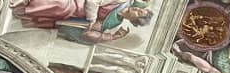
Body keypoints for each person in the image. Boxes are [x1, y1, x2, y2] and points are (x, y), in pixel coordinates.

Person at [10, 0, 154, 43]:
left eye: (139, 13)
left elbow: (93, 33)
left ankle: (24, 9)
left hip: (79, 15)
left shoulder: (115, 22)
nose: (137, 9)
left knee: (63, 16)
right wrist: (92, 19)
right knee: (64, 6)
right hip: (80, 2)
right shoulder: (121, 1)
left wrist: (112, 36)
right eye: (140, 9)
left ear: (135, 20)